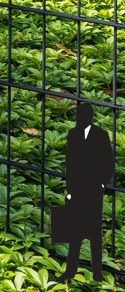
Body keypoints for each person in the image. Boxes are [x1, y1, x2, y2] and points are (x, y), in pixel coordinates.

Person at [54, 100, 113, 282]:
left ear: (90, 117)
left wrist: (102, 184)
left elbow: (108, 162)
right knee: (75, 233)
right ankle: (70, 270)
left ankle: (97, 272)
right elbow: (70, 164)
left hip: (94, 190)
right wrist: (70, 190)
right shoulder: (73, 134)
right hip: (77, 190)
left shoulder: (101, 135)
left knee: (95, 234)